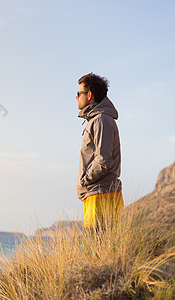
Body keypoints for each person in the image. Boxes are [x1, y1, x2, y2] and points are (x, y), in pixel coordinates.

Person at [75, 73, 123, 230]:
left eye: (78, 93)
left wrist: (84, 181)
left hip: (100, 196)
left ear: (89, 95)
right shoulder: (96, 120)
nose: (76, 97)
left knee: (96, 249)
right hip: (97, 195)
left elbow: (103, 161)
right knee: (98, 250)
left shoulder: (101, 120)